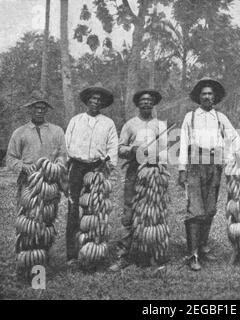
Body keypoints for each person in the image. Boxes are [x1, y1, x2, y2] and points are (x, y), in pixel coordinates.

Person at [178, 77, 240, 271]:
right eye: (204, 93)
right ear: (199, 97)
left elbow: (234, 138)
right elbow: (183, 143)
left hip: (214, 165)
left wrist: (230, 161)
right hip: (196, 164)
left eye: (210, 94)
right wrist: (182, 169)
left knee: (210, 208)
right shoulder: (191, 117)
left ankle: (203, 246)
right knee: (195, 209)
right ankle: (193, 254)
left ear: (215, 97)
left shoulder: (220, 117)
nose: (207, 97)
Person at [109, 89, 167, 271]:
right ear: (138, 104)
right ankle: (123, 255)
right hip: (134, 171)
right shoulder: (130, 125)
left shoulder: (161, 126)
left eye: (150, 100)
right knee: (130, 211)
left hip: (154, 171)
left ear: (154, 104)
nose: (146, 103)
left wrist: (158, 160)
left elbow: (166, 151)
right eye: (143, 100)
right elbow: (120, 148)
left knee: (153, 211)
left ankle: (151, 253)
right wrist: (132, 150)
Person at [65, 86, 118, 266]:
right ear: (87, 101)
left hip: (97, 167)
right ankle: (72, 253)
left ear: (103, 103)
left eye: (99, 100)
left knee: (95, 209)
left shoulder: (108, 123)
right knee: (74, 209)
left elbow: (112, 147)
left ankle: (93, 250)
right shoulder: (76, 120)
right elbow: (67, 145)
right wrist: (67, 166)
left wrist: (108, 165)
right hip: (77, 166)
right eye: (93, 99)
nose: (95, 102)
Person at [6, 90, 67, 206]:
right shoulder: (19, 133)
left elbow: (63, 155)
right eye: (36, 107)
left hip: (50, 181)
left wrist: (56, 166)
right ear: (30, 109)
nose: (39, 111)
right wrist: (23, 166)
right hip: (28, 180)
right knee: (27, 217)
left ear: (47, 109)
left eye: (43, 108)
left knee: (48, 216)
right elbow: (10, 158)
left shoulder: (57, 131)